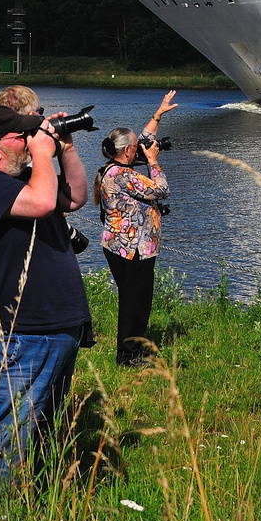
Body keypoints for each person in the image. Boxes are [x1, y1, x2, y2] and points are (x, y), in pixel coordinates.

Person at [0, 104, 90, 490]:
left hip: (46, 331)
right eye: (20, 137)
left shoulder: (19, 178)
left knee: (34, 440)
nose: (29, 143)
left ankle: (22, 517)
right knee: (1, 445)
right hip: (12, 338)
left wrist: (67, 148)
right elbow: (43, 203)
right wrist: (43, 153)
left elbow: (75, 197)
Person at [94, 90, 179, 367]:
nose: (140, 149)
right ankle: (127, 356)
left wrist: (158, 114)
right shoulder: (124, 175)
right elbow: (161, 190)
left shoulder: (112, 168)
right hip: (132, 249)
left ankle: (132, 350)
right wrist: (153, 162)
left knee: (136, 299)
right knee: (135, 302)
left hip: (124, 246)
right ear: (127, 151)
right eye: (136, 148)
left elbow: (142, 140)